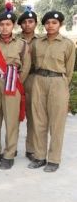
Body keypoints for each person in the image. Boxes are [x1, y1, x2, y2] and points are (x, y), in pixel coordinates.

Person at [0, 2, 31, 170]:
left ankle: (9, 154)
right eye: (2, 25)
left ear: (13, 25)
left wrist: (18, 81)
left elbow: (26, 66)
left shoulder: (22, 44)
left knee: (11, 120)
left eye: (8, 24)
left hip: (13, 83)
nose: (5, 27)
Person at [28, 11, 75, 172]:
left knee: (56, 123)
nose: (50, 25)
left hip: (57, 82)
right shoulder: (37, 43)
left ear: (60, 25)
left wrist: (62, 85)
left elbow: (69, 70)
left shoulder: (67, 44)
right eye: (47, 22)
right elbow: (32, 62)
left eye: (54, 23)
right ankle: (40, 156)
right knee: (39, 120)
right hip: (39, 80)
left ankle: (54, 159)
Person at [17, 6, 40, 161]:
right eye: (24, 22)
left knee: (33, 115)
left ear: (36, 23)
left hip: (33, 79)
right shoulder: (14, 40)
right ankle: (11, 147)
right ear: (20, 25)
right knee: (13, 115)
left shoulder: (42, 41)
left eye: (31, 21)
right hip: (15, 79)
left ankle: (30, 149)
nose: (27, 24)